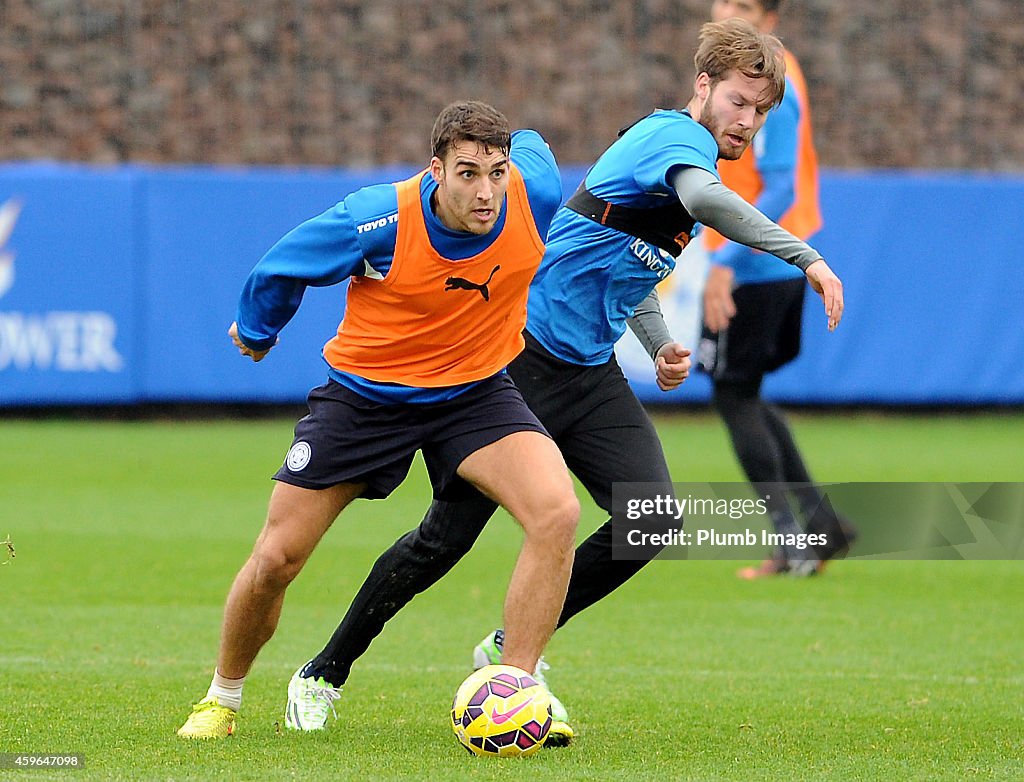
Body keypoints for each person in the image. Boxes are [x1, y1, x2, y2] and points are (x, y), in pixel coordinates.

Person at [285, 18, 845, 744]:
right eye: (739, 101)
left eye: (761, 110)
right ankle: (324, 670)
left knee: (653, 520)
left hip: (588, 374)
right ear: (703, 87)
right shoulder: (676, 142)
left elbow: (622, 261)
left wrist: (661, 341)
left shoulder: (690, 163)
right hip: (515, 365)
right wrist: (808, 258)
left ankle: (512, 650)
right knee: (441, 541)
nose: (749, 120)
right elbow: (705, 206)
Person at [176, 100, 580, 739]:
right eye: (468, 173)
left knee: (556, 511)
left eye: (497, 172)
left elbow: (531, 142)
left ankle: (515, 690)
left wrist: (513, 157)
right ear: (435, 171)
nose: (486, 191)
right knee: (278, 556)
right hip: (367, 402)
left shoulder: (536, 190)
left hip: (474, 394)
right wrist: (257, 330)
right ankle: (221, 698)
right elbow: (282, 265)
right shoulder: (378, 217)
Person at [697, 0, 857, 579]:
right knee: (746, 393)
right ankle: (821, 524)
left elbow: (783, 185)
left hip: (760, 264)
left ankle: (792, 543)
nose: (726, 10)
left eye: (742, 4)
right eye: (724, 1)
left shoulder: (769, 80)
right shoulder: (755, 71)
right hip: (772, 260)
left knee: (732, 394)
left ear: (769, 17)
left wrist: (725, 262)